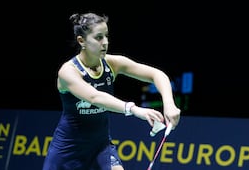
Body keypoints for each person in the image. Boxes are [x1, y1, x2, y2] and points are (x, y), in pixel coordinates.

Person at [42, 12, 181, 170]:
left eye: (106, 36)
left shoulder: (112, 63)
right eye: (99, 37)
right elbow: (94, 97)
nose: (105, 42)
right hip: (68, 150)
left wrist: (169, 104)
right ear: (82, 41)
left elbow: (157, 74)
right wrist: (133, 109)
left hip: (101, 147)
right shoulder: (68, 72)